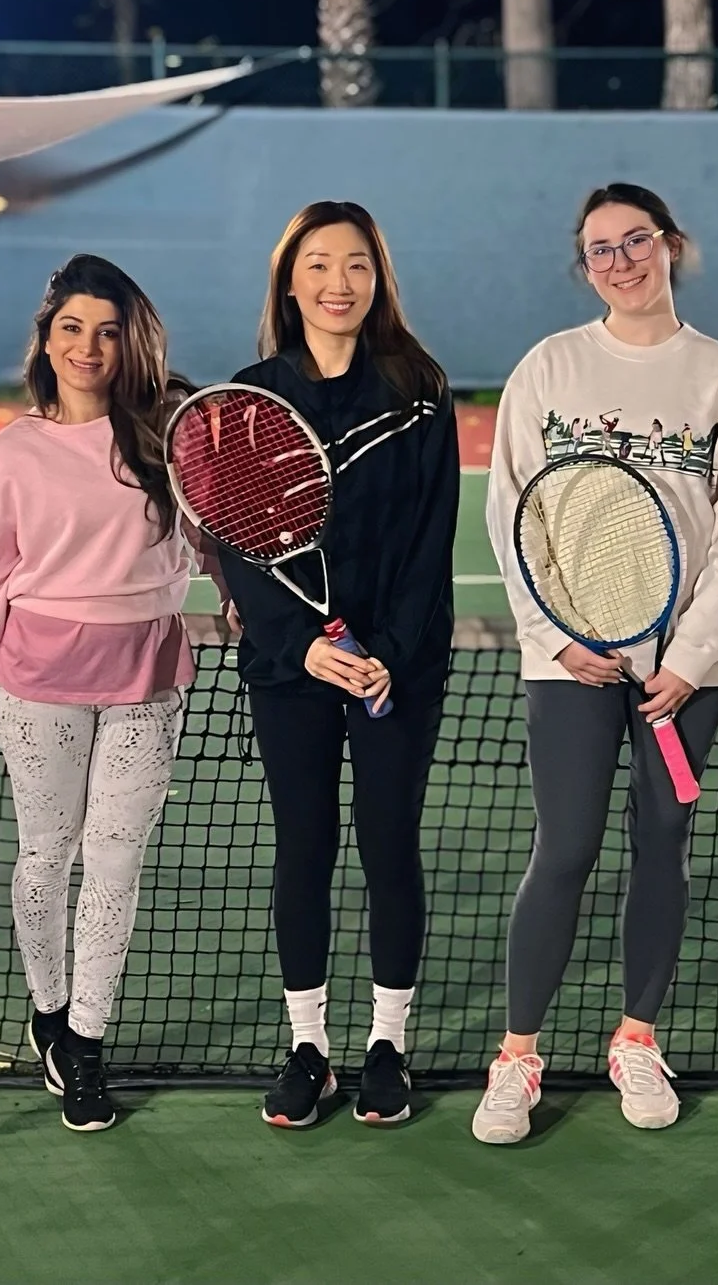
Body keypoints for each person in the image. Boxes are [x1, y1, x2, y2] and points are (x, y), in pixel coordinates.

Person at [476, 181, 718, 1144]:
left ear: (671, 244)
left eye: (635, 240)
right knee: (563, 849)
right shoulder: (550, 367)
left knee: (663, 851)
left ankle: (635, 1038)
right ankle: (518, 1055)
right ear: (584, 263)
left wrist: (690, 656)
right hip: (570, 662)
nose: (620, 261)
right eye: (599, 248)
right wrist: (557, 633)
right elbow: (512, 513)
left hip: (686, 677)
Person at [0, 254, 196, 1133]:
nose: (89, 346)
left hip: (149, 677)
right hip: (38, 683)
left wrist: (240, 600)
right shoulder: (10, 454)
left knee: (116, 862)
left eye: (108, 331)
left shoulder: (166, 433)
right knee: (49, 856)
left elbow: (211, 538)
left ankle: (84, 1041)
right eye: (72, 327)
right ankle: (49, 1006)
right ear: (46, 338)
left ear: (130, 343)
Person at [216, 201, 458, 1131]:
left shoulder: (420, 388)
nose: (337, 282)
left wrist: (388, 655)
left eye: (356, 264)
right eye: (318, 264)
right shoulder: (252, 397)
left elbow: (429, 537)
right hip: (291, 667)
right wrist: (304, 645)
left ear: (377, 278)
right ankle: (309, 1047)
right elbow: (239, 539)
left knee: (389, 841)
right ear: (290, 280)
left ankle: (387, 1042)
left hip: (398, 668)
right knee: (304, 847)